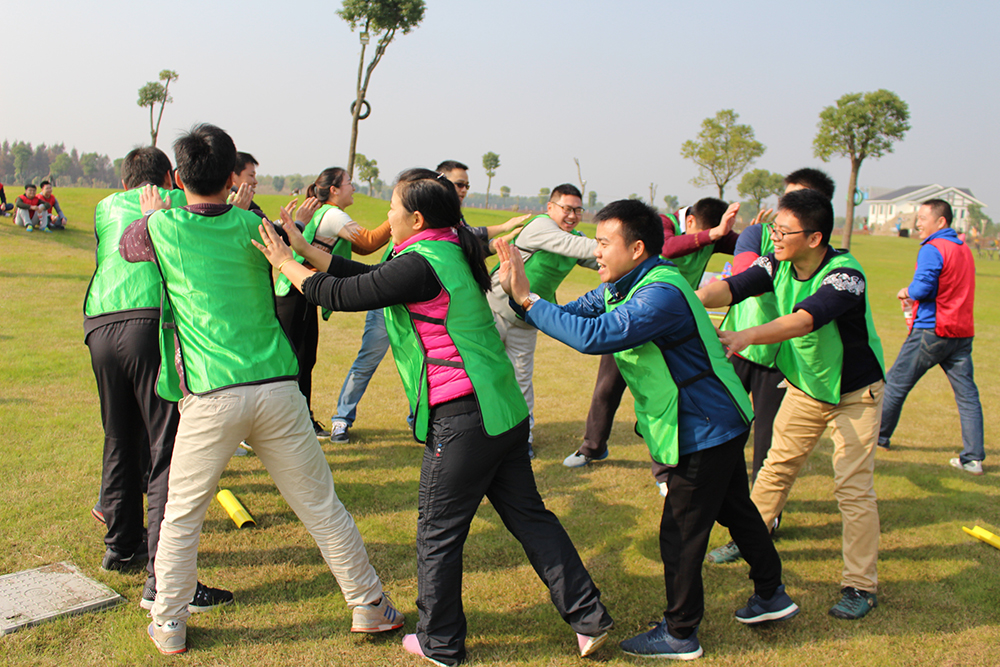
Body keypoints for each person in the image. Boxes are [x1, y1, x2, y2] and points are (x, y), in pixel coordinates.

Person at [256, 168, 613, 666]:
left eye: (392, 210)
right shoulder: (449, 246)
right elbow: (365, 279)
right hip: (502, 410)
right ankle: (588, 618)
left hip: (465, 418)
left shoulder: (424, 260)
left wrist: (282, 261)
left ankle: (439, 641)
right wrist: (303, 248)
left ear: (417, 217)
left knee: (437, 531)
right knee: (531, 518)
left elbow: (338, 295)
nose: (386, 217)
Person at [120, 124, 403, 655]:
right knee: (322, 505)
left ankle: (170, 624)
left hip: (210, 394)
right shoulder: (254, 225)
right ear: (233, 177)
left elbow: (129, 245)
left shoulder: (160, 226)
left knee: (183, 515)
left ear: (179, 177)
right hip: (278, 387)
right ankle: (368, 604)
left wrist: (156, 209)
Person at [496, 198, 798, 661]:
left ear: (637, 248)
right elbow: (577, 316)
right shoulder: (620, 285)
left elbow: (596, 337)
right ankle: (772, 595)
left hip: (704, 426)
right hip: (712, 421)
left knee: (679, 533)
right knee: (737, 510)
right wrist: (516, 298)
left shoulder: (660, 292)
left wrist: (529, 299)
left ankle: (681, 634)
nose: (595, 253)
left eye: (603, 244)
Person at [697, 188, 886, 620]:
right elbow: (733, 287)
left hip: (855, 394)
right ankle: (749, 540)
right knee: (775, 469)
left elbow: (804, 320)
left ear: (815, 238)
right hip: (805, 388)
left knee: (853, 489)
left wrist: (745, 336)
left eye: (784, 232)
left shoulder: (845, 275)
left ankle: (860, 585)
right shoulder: (775, 263)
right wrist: (683, 299)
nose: (774, 238)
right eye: (774, 229)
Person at [85, 146, 232, 612]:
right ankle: (163, 578)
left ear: (124, 179)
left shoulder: (104, 206)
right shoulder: (173, 206)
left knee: (118, 436)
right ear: (170, 176)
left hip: (100, 323)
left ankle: (120, 545)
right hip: (149, 322)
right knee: (165, 448)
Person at [328, 160, 525, 444]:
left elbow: (472, 241)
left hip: (459, 396)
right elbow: (365, 266)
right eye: (457, 184)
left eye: (466, 186)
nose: (462, 191)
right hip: (389, 299)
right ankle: (342, 419)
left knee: (423, 358)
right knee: (369, 360)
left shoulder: (448, 231)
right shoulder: (421, 240)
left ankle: (419, 417)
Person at [707, 167, 836, 564]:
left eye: (801, 204)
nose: (786, 213)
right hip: (743, 348)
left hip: (788, 361)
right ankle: (736, 517)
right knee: (722, 429)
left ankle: (764, 524)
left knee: (772, 449)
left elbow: (807, 317)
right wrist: (681, 300)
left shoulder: (838, 268)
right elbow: (740, 282)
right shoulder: (764, 242)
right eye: (787, 200)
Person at [563, 197, 739, 469]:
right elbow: (667, 248)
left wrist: (756, 234)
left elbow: (744, 248)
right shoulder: (663, 224)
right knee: (607, 388)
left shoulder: (712, 233)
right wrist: (712, 235)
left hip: (673, 327)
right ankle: (592, 447)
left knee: (665, 396)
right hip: (632, 316)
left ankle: (665, 469)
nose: (709, 242)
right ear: (689, 221)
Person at [273, 166, 388, 437]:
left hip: (302, 292)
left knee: (305, 358)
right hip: (294, 292)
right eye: (349, 183)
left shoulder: (329, 214)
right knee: (294, 360)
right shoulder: (333, 214)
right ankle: (288, 424)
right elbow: (368, 241)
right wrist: (398, 220)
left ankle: (303, 420)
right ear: (334, 189)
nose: (354, 187)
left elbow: (359, 247)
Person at [486, 183, 598, 454]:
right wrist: (615, 244)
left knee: (522, 380)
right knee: (484, 374)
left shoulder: (578, 239)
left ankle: (522, 439)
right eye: (566, 209)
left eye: (578, 210)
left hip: (527, 319)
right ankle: (480, 432)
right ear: (551, 208)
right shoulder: (540, 227)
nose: (572, 216)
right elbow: (575, 246)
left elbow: (601, 260)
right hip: (494, 311)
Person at [878, 199, 984, 475]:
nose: (918, 223)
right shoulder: (964, 249)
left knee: (897, 384)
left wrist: (907, 291)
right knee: (968, 396)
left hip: (932, 330)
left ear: (941, 222)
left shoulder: (933, 248)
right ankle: (973, 458)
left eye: (923, 217)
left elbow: (923, 287)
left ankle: (879, 438)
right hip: (962, 333)